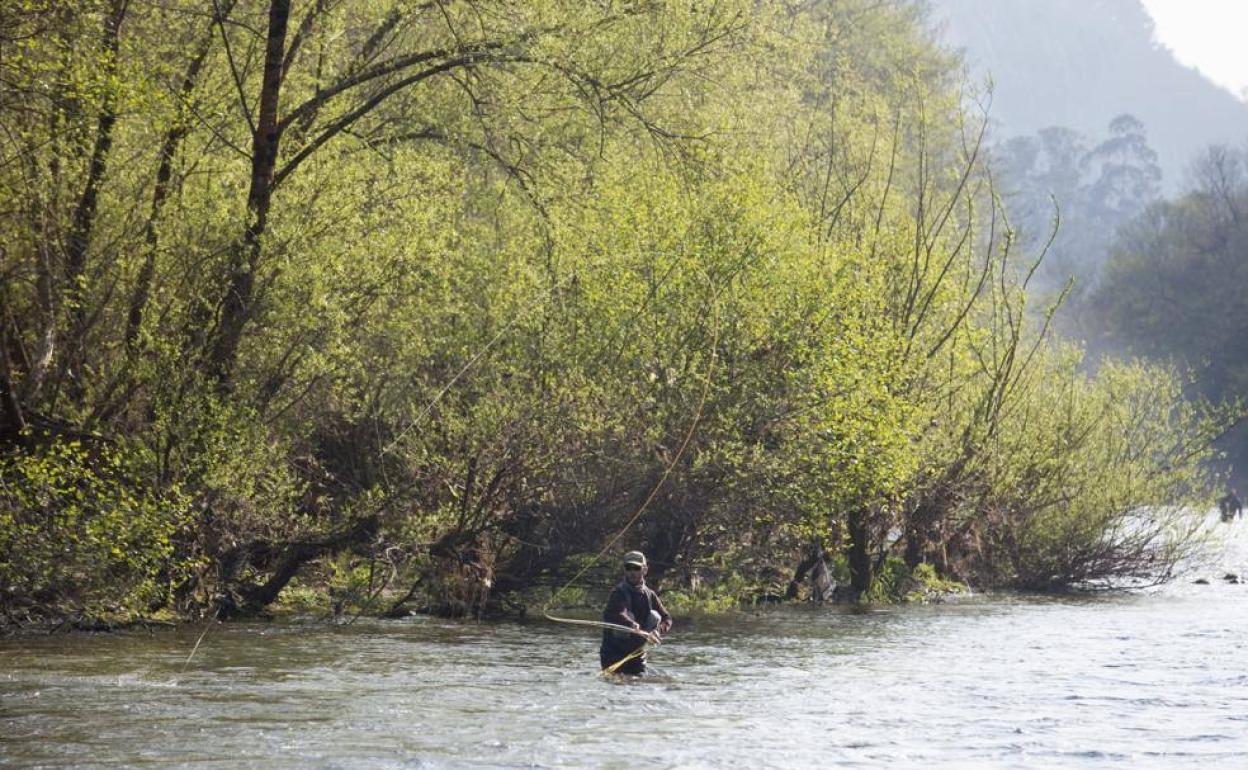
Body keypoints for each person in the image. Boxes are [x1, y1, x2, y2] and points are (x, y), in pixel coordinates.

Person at [600, 550, 672, 675]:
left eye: (636, 568)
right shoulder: (618, 593)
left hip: (637, 656)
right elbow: (617, 613)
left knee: (655, 616)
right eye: (629, 568)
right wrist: (631, 624)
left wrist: (657, 631)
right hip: (613, 654)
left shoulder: (650, 595)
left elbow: (667, 619)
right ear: (624, 570)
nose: (632, 572)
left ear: (645, 570)